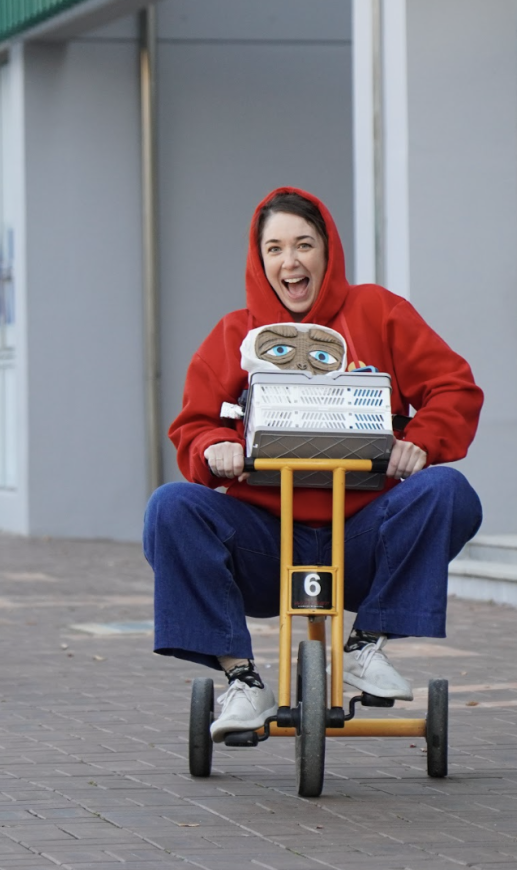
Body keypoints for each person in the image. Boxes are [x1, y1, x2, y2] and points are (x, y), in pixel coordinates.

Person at [144, 187, 484, 742]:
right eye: (275, 249)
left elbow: (455, 388)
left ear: (328, 252)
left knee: (447, 489)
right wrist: (212, 447)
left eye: (304, 245)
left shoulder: (379, 312)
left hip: (364, 536)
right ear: (260, 261)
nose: (291, 261)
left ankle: (365, 644)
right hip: (265, 541)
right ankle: (242, 678)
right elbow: (192, 424)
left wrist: (420, 440)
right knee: (171, 506)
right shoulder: (234, 334)